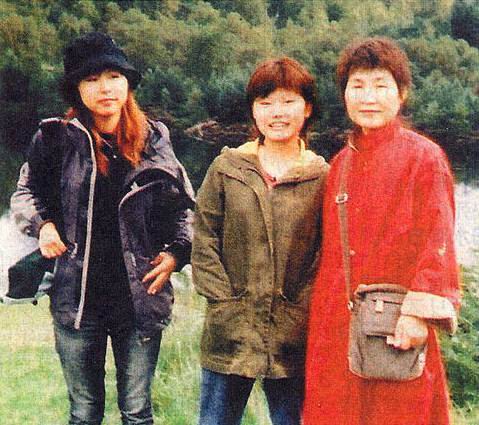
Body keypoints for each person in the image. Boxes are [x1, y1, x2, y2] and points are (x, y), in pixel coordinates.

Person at [10, 32, 194, 425]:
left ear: (128, 83)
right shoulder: (54, 138)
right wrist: (43, 226)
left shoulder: (155, 139)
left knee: (137, 412)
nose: (105, 88)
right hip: (76, 300)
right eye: (91, 79)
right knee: (84, 413)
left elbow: (185, 209)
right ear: (77, 89)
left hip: (140, 298)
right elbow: (24, 194)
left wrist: (176, 255)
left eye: (113, 76)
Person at [304, 37, 461, 425]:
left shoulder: (424, 158)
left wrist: (419, 316)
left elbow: (437, 241)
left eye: (380, 85)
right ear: (344, 94)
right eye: (357, 86)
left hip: (394, 326)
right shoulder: (339, 164)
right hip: (336, 327)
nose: (368, 97)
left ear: (401, 93)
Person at [192, 57, 329, 425]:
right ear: (253, 110)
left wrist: (302, 308)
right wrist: (225, 302)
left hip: (294, 337)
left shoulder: (322, 177)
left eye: (288, 101)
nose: (276, 113)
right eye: (265, 102)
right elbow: (204, 238)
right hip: (230, 333)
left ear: (307, 108)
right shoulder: (227, 168)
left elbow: (326, 254)